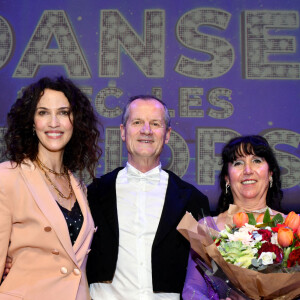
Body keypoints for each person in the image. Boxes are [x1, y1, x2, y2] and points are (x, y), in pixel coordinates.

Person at [86, 95, 210, 299]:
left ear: (167, 134)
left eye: (155, 123)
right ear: (123, 131)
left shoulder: (192, 200)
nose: (146, 130)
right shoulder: (93, 193)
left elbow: (203, 271)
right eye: (137, 122)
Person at [0, 76, 101, 300]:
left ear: (76, 121)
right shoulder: (7, 177)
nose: (54, 122)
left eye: (63, 112)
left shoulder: (78, 187)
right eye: (43, 112)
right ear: (31, 122)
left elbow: (78, 267)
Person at [182, 135, 283, 300]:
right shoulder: (206, 228)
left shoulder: (293, 227)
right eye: (238, 163)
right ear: (227, 178)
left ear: (270, 173)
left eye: (257, 161)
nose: (248, 170)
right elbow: (192, 291)